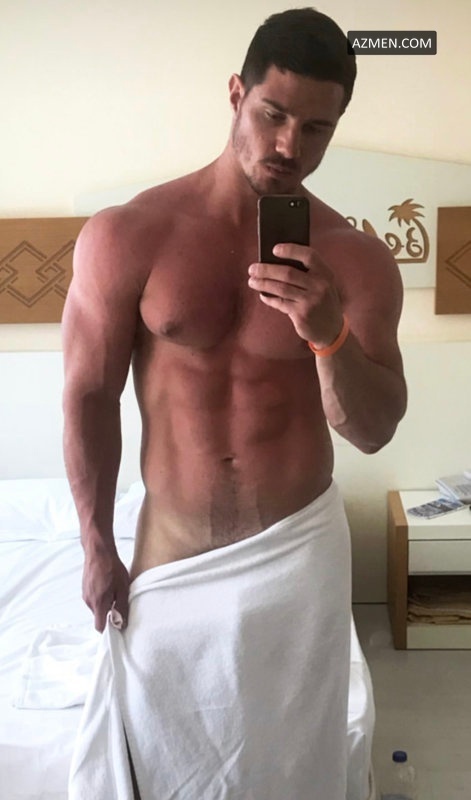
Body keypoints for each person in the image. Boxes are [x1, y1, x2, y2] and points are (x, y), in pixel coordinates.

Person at [63, 8, 407, 799]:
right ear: (235, 94)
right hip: (170, 555)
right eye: (272, 114)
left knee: (291, 768)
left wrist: (327, 335)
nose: (288, 146)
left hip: (294, 560)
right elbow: (87, 395)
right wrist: (94, 542)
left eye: (316, 129)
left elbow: (372, 430)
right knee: (166, 762)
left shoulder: (354, 260)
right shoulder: (128, 235)